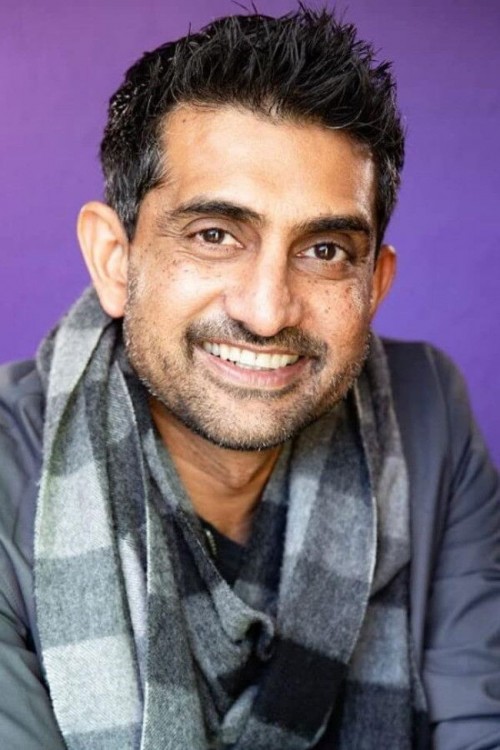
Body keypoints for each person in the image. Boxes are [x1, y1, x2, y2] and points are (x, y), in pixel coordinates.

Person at [0, 8, 499, 749]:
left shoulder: (428, 414)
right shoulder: (9, 466)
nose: (267, 313)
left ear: (374, 286)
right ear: (114, 259)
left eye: (325, 250)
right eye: (214, 235)